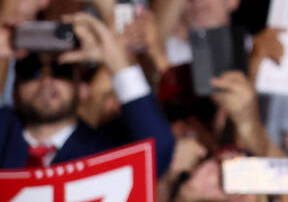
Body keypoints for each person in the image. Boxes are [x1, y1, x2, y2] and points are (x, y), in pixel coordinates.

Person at [0, 14, 175, 175]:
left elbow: (157, 152)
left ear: (79, 84)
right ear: (15, 86)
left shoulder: (104, 150)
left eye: (60, 70)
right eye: (32, 71)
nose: (46, 81)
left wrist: (114, 58)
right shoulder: (4, 129)